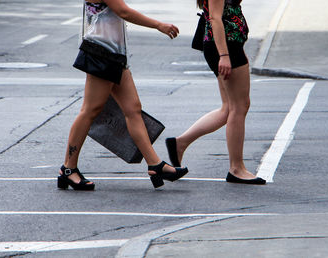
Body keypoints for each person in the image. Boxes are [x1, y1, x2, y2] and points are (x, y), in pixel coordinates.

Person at [58, 0, 188, 191]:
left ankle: (156, 165)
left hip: (114, 53)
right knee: (89, 111)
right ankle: (68, 169)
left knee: (133, 109)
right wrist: (159, 25)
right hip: (100, 52)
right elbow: (123, 12)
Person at [165, 0, 265, 184]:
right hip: (225, 47)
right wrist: (224, 56)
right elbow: (215, 18)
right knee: (239, 107)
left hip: (227, 45)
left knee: (229, 108)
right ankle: (236, 168)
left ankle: (180, 143)